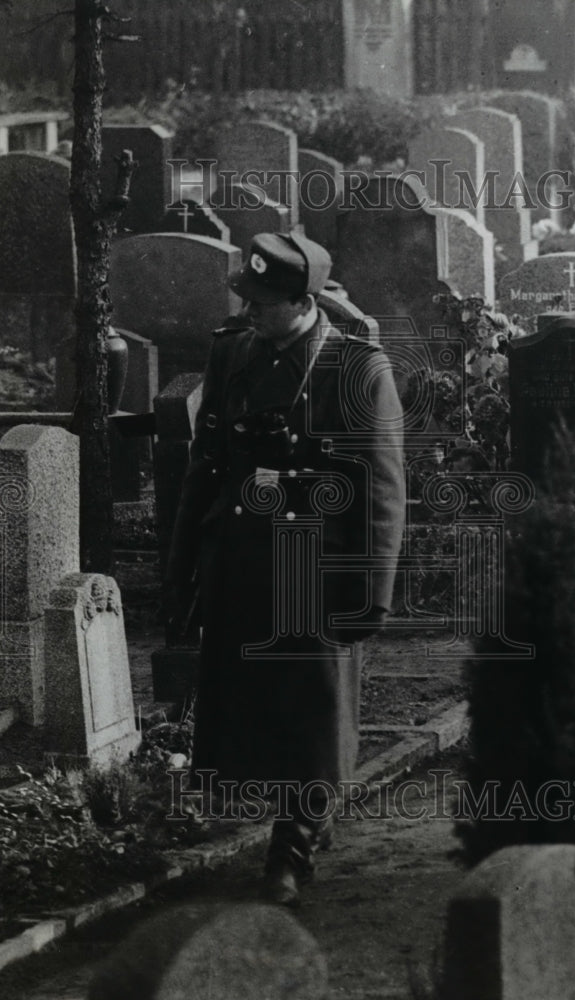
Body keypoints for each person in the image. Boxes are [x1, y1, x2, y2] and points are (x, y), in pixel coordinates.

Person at [166, 231, 406, 906]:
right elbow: (203, 468)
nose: (251, 313)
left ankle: (292, 846)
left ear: (303, 302)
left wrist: (372, 595)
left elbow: (382, 488)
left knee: (312, 714)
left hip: (315, 569)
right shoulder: (233, 353)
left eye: (265, 303)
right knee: (249, 709)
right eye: (247, 298)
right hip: (241, 560)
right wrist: (181, 570)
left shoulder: (356, 369)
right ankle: (300, 816)